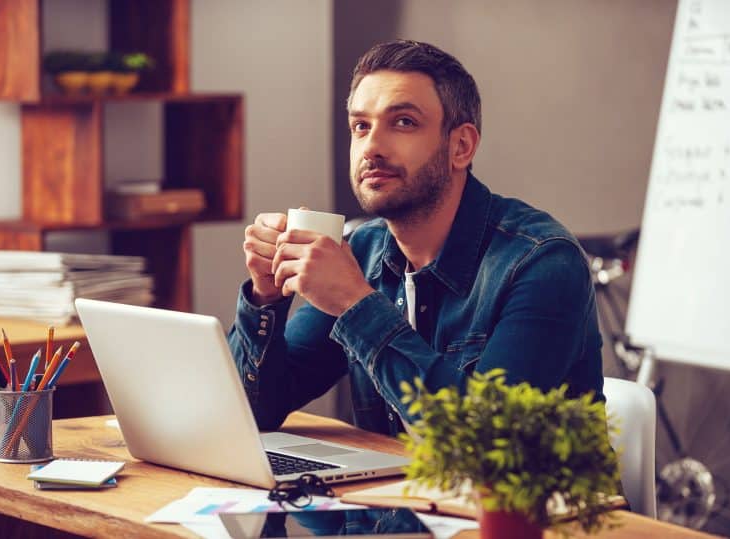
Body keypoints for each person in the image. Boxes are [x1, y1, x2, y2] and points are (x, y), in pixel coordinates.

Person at [229, 40, 603, 435]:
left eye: (403, 122)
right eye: (361, 126)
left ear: (461, 146)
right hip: (399, 494)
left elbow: (488, 441)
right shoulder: (364, 250)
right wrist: (265, 296)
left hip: (525, 497)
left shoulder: (542, 263)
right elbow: (251, 414)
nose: (371, 146)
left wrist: (356, 303)